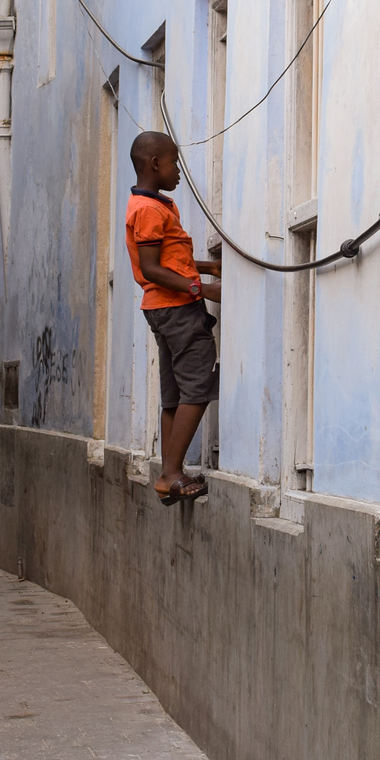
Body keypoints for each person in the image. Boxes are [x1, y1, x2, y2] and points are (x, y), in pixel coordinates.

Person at [127, 130, 224, 504]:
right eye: (174, 162)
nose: (179, 170)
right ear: (155, 164)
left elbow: (169, 258)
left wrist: (206, 266)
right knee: (197, 387)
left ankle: (170, 474)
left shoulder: (153, 205)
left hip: (161, 309)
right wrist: (203, 289)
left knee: (175, 394)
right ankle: (171, 472)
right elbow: (151, 269)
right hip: (177, 309)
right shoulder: (149, 210)